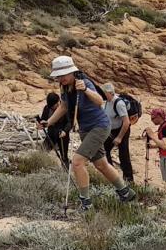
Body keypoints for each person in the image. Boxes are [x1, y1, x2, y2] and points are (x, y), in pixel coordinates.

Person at [38, 55, 136, 211]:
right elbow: (63, 106)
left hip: (99, 127)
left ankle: (86, 203)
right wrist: (48, 122)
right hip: (86, 130)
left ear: (71, 72)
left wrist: (85, 89)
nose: (60, 79)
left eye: (62, 75)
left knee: (77, 162)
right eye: (58, 76)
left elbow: (99, 101)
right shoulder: (65, 87)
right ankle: (126, 193)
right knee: (101, 164)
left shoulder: (83, 82)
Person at [101, 82, 133, 183]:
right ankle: (112, 175)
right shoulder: (106, 102)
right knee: (104, 151)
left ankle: (129, 180)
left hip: (122, 129)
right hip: (111, 130)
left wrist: (119, 137)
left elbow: (126, 122)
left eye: (104, 93)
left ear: (109, 93)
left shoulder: (119, 103)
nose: (102, 95)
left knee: (123, 155)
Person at [37, 91, 70, 168]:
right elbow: (44, 120)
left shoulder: (65, 108)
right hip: (51, 135)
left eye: (54, 106)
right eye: (51, 107)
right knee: (42, 151)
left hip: (62, 135)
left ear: (58, 102)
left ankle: (66, 172)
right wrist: (40, 124)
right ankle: (39, 168)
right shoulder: (47, 108)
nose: (53, 108)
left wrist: (65, 131)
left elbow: (69, 122)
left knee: (64, 157)